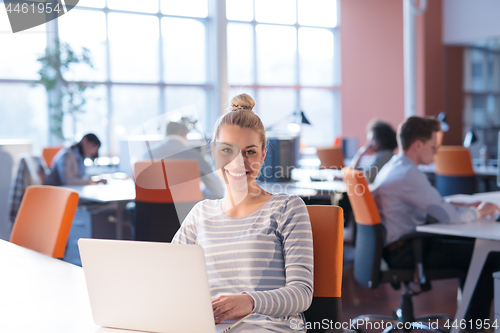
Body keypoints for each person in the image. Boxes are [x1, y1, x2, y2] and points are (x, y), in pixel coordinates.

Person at [171, 94, 313, 333]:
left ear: (263, 155)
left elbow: (301, 293)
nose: (238, 162)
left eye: (250, 152)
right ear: (213, 153)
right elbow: (167, 274)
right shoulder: (200, 214)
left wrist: (249, 302)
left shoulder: (287, 208)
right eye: (227, 150)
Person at [372, 116, 500, 330]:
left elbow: (433, 204)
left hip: (396, 246)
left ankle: (470, 322)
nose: (437, 152)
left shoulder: (396, 166)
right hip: (408, 251)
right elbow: (449, 217)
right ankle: (473, 327)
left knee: (477, 252)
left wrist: (460, 204)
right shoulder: (408, 174)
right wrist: (479, 211)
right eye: (434, 146)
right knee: (489, 256)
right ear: (417, 145)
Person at [143, 121, 224, 199]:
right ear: (185, 136)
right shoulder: (195, 156)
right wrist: (198, 193)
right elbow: (217, 191)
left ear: (166, 134)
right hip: (187, 211)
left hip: (151, 210)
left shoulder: (147, 156)